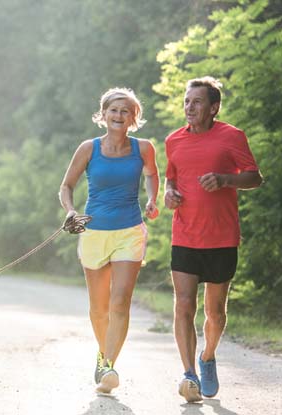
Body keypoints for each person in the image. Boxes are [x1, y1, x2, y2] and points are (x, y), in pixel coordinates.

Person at [164, 76, 263, 403]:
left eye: (197, 102)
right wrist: (169, 194)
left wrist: (224, 179)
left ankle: (208, 356)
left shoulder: (232, 136)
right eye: (187, 101)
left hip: (221, 237)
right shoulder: (174, 140)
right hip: (185, 234)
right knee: (183, 305)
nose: (189, 107)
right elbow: (171, 179)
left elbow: (254, 177)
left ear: (214, 107)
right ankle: (189, 372)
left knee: (215, 313)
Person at [59, 87, 160, 394]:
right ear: (103, 115)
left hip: (129, 231)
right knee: (99, 307)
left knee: (120, 301)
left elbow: (152, 174)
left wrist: (153, 199)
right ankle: (104, 356)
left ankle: (108, 364)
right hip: (93, 232)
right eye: (113, 110)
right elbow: (66, 186)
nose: (119, 116)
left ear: (134, 117)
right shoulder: (89, 149)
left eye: (125, 111)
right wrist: (71, 211)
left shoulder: (143, 148)